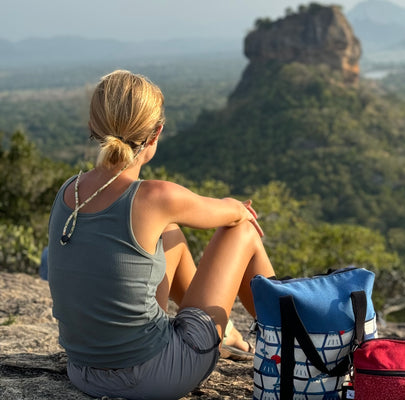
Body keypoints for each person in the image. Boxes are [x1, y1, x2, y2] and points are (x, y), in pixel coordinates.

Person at [47, 70, 275, 400]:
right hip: (153, 377)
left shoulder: (70, 191)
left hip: (83, 372)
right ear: (156, 135)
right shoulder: (156, 197)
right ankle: (290, 342)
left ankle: (223, 335)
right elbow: (234, 214)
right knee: (242, 232)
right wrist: (238, 207)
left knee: (168, 232)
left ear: (91, 128)